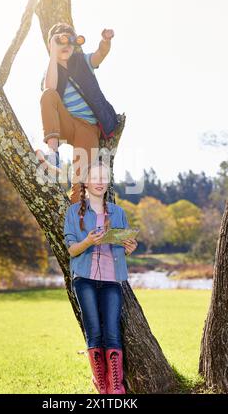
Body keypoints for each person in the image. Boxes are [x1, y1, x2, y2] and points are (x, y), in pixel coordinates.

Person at [63, 159, 138, 394]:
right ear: (86, 182)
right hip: (84, 279)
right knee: (94, 330)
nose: (99, 182)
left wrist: (129, 246)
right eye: (95, 178)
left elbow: (124, 244)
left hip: (111, 280)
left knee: (113, 331)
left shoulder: (118, 212)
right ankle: (101, 382)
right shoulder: (73, 213)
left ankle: (115, 383)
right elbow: (71, 249)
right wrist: (88, 241)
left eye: (103, 178)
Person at [36, 22, 115, 204]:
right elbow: (50, 88)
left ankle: (77, 224)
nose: (66, 46)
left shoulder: (82, 62)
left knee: (81, 185)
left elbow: (100, 54)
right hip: (66, 124)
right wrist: (54, 55)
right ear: (51, 45)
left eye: (69, 42)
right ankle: (52, 154)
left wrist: (105, 40)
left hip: (87, 128)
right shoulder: (50, 71)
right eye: (60, 41)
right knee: (48, 95)